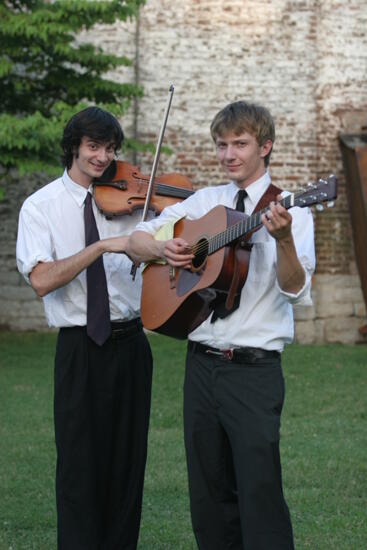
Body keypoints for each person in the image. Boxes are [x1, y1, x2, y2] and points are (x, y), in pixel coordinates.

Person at [127, 100, 315, 549]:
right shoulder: (204, 202)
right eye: (221, 145)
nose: (229, 154)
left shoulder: (294, 210)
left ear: (265, 146)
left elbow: (297, 290)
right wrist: (162, 251)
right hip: (201, 368)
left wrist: (283, 240)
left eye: (241, 144)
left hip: (254, 372)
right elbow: (136, 241)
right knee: (208, 501)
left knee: (260, 495)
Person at [16, 107, 153, 550]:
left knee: (127, 468)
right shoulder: (40, 206)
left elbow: (156, 252)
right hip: (79, 348)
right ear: (74, 145)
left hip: (131, 344)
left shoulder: (131, 201)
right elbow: (41, 280)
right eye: (94, 147)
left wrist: (155, 243)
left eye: (110, 149)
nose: (102, 158)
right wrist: (100, 246)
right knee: (78, 470)